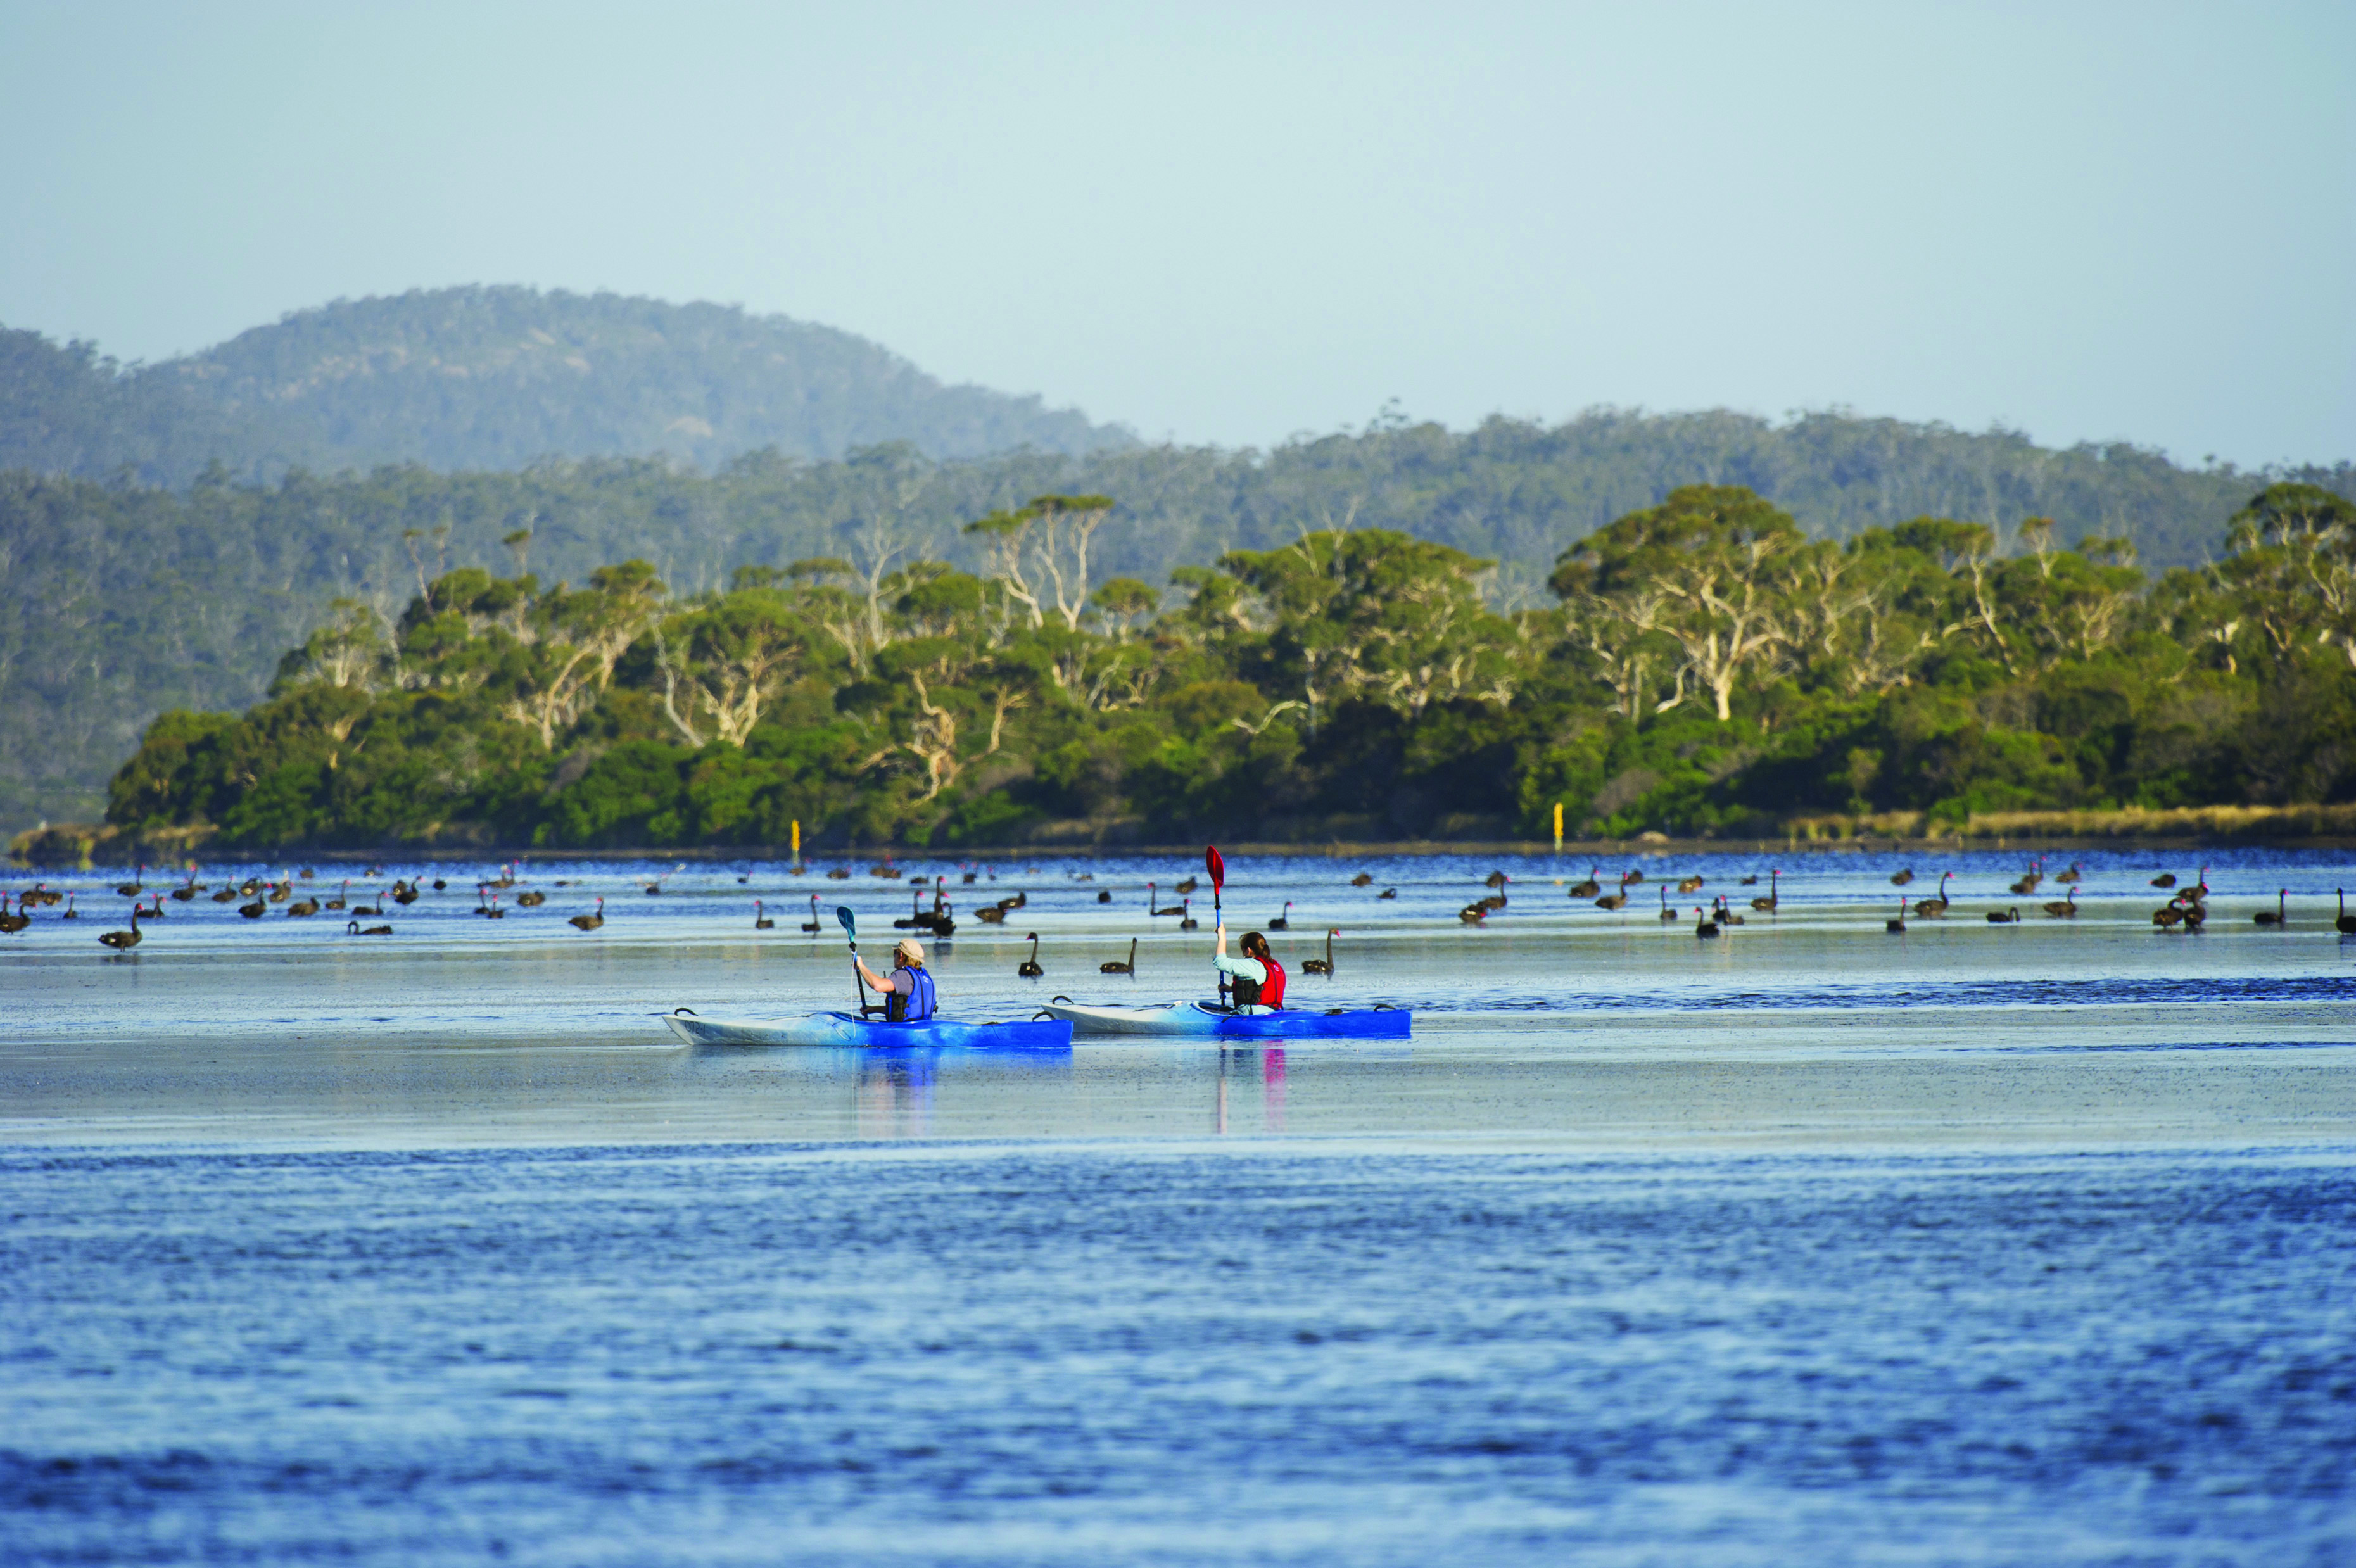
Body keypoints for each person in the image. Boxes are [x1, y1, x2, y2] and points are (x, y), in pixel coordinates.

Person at [856, 937, 937, 1021]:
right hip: (922, 1027)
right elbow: (906, 1009)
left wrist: (861, 966)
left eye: (895, 953)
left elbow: (878, 986)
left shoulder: (904, 976)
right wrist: (875, 1009)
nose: (894, 957)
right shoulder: (925, 976)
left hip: (902, 1030)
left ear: (901, 956)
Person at [1212, 923, 1286, 1013]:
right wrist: (1232, 989)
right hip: (1275, 1012)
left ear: (1248, 950)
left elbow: (1220, 963)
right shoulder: (1274, 965)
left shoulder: (1252, 964)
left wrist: (1222, 937)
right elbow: (1261, 987)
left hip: (1252, 1014)